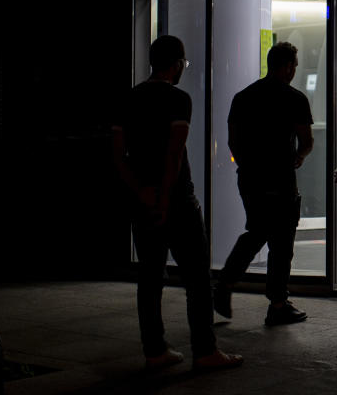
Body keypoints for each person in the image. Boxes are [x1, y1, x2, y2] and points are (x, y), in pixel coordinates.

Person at [111, 35, 242, 371]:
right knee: (197, 278)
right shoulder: (178, 99)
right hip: (178, 200)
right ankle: (205, 350)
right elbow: (173, 152)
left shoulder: (127, 98)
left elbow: (118, 155)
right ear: (176, 64)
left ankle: (154, 350)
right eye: (183, 62)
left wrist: (143, 193)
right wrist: (164, 197)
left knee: (150, 278)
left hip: (141, 201)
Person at [213, 42, 313, 327]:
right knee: (281, 243)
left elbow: (233, 141)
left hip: (250, 178)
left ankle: (225, 283)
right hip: (281, 179)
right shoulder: (295, 98)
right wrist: (299, 156)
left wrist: (247, 164)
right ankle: (277, 304)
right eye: (293, 65)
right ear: (289, 66)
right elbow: (306, 142)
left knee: (256, 232)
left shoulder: (243, 97)